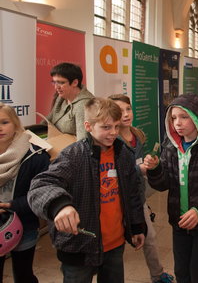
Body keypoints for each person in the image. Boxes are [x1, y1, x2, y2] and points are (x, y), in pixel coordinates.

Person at [27, 98, 146, 283]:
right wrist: (60, 205)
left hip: (115, 243)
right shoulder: (73, 155)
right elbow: (41, 185)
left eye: (116, 126)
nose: (113, 132)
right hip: (80, 245)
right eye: (106, 127)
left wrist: (137, 226)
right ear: (88, 126)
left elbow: (132, 195)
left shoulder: (123, 154)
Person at [144, 93, 198, 283]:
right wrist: (155, 169)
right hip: (179, 222)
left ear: (197, 117)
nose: (178, 123)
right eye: (174, 118)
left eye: (184, 117)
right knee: (182, 273)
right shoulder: (170, 146)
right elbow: (162, 185)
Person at [108, 94, 174, 283]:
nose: (126, 114)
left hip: (138, 197)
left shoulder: (137, 134)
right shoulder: (111, 139)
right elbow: (115, 172)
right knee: (115, 244)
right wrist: (139, 169)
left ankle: (157, 274)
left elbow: (138, 165)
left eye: (128, 109)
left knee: (150, 237)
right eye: (120, 111)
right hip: (117, 199)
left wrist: (149, 165)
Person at [0, 103, 50, 283]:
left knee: (23, 274)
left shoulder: (36, 156)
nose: (0, 128)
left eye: (4, 122)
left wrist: (12, 205)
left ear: (15, 123)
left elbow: (42, 194)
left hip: (24, 224)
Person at [46, 62, 94, 140]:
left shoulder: (84, 104)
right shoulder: (61, 98)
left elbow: (83, 141)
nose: (56, 87)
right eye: (54, 82)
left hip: (70, 150)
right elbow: (48, 120)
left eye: (61, 82)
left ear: (75, 82)